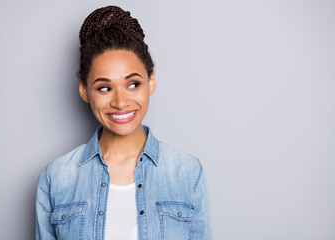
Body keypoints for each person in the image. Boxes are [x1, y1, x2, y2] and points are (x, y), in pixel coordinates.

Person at [36, 5, 212, 240]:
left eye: (133, 84)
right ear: (85, 91)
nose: (120, 102)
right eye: (105, 88)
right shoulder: (56, 178)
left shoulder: (188, 173)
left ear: (151, 82)